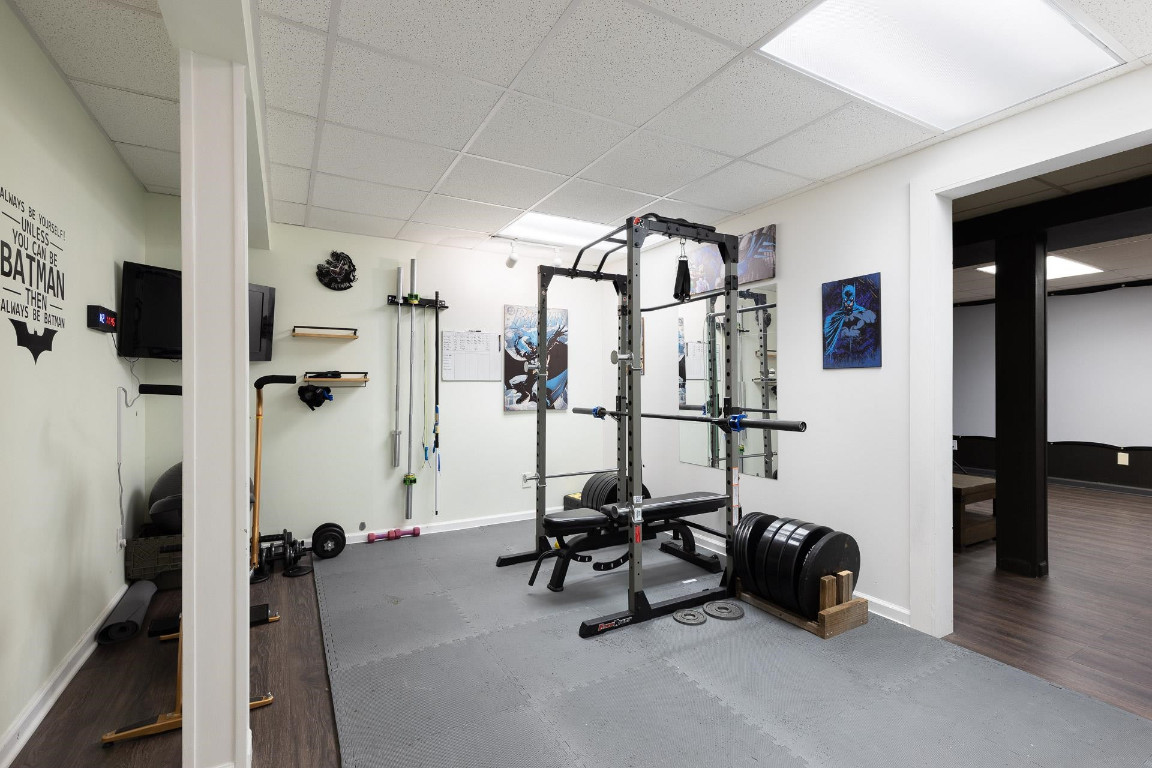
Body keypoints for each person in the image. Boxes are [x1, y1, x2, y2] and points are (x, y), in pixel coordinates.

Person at [823, 283, 877, 364]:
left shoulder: (863, 313)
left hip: (861, 357)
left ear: (854, 299)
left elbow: (873, 321)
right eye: (846, 300)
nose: (848, 303)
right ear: (843, 300)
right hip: (839, 357)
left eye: (850, 300)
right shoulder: (833, 318)